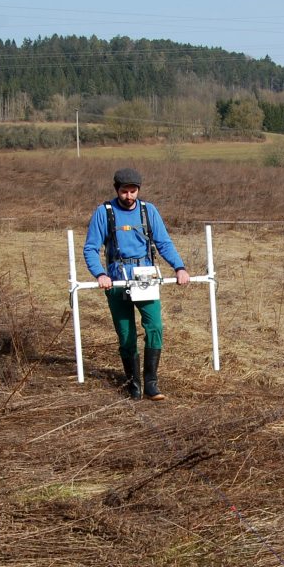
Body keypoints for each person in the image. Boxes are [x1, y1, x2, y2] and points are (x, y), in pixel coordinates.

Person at [83, 168, 189, 401]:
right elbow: (91, 248)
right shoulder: (104, 212)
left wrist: (179, 267)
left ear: (139, 190)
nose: (129, 196)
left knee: (155, 326)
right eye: (124, 191)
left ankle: (151, 383)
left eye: (133, 191)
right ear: (117, 190)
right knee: (126, 333)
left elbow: (164, 243)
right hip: (116, 280)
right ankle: (134, 384)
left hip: (145, 278)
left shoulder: (148, 211)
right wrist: (100, 274)